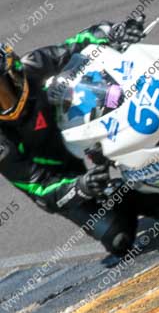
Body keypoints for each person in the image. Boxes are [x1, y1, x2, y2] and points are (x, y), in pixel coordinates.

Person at [0, 17, 150, 256]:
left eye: (1, 92)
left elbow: (78, 42)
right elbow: (38, 188)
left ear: (14, 72)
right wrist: (80, 187)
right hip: (63, 177)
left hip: (85, 129)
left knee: (103, 85)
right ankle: (131, 194)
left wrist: (115, 32)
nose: (3, 105)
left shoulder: (34, 65)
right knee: (118, 239)